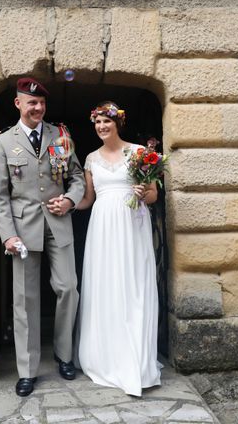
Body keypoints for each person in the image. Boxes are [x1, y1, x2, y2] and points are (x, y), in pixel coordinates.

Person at [0, 77, 85, 397]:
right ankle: (27, 370)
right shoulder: (4, 142)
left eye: (42, 103)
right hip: (23, 229)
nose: (38, 108)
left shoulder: (60, 135)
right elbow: (0, 197)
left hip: (58, 225)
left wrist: (71, 200)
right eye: (32, 103)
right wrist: (7, 236)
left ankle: (64, 354)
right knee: (25, 301)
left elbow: (76, 178)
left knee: (68, 287)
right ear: (18, 104)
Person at [75, 101, 162, 396]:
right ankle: (105, 355)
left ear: (117, 124)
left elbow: (152, 196)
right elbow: (88, 198)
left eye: (106, 122)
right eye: (97, 122)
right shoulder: (90, 159)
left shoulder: (139, 153)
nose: (101, 127)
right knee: (106, 285)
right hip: (102, 227)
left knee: (133, 285)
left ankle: (135, 359)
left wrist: (143, 192)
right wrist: (66, 203)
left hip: (131, 223)